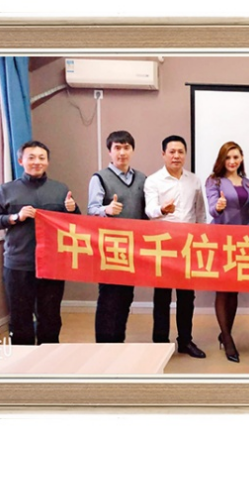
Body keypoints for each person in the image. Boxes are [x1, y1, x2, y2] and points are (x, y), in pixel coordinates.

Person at [0, 140, 79, 345]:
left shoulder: (60, 189)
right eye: (31, 157)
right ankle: (22, 362)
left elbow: (75, 225)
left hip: (52, 265)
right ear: (21, 161)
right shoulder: (6, 190)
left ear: (47, 162)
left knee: (50, 320)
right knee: (20, 320)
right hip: (18, 265)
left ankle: (49, 360)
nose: (37, 162)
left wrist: (73, 209)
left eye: (42, 158)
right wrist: (15, 217)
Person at [144, 135, 207, 358]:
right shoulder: (153, 181)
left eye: (180, 152)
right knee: (162, 297)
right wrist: (163, 210)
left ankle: (185, 341)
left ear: (185, 154)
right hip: (163, 245)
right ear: (163, 154)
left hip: (187, 245)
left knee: (187, 297)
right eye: (172, 152)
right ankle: (160, 342)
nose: (176, 156)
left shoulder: (194, 180)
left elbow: (200, 213)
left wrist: (202, 239)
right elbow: (149, 210)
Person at [88, 130, 146, 343]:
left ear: (132, 150)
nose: (122, 152)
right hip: (109, 249)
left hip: (132, 249)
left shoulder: (142, 178)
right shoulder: (99, 178)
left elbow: (145, 212)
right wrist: (107, 210)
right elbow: (91, 210)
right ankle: (104, 346)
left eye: (126, 148)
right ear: (110, 152)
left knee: (126, 297)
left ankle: (118, 342)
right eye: (117, 148)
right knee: (108, 298)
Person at [205, 141, 249, 363]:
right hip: (221, 239)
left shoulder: (248, 182)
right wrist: (218, 207)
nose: (232, 161)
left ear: (241, 158)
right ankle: (227, 339)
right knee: (223, 290)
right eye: (228, 158)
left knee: (234, 289)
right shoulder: (214, 181)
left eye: (236, 157)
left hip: (243, 241)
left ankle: (226, 332)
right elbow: (212, 208)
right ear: (222, 160)